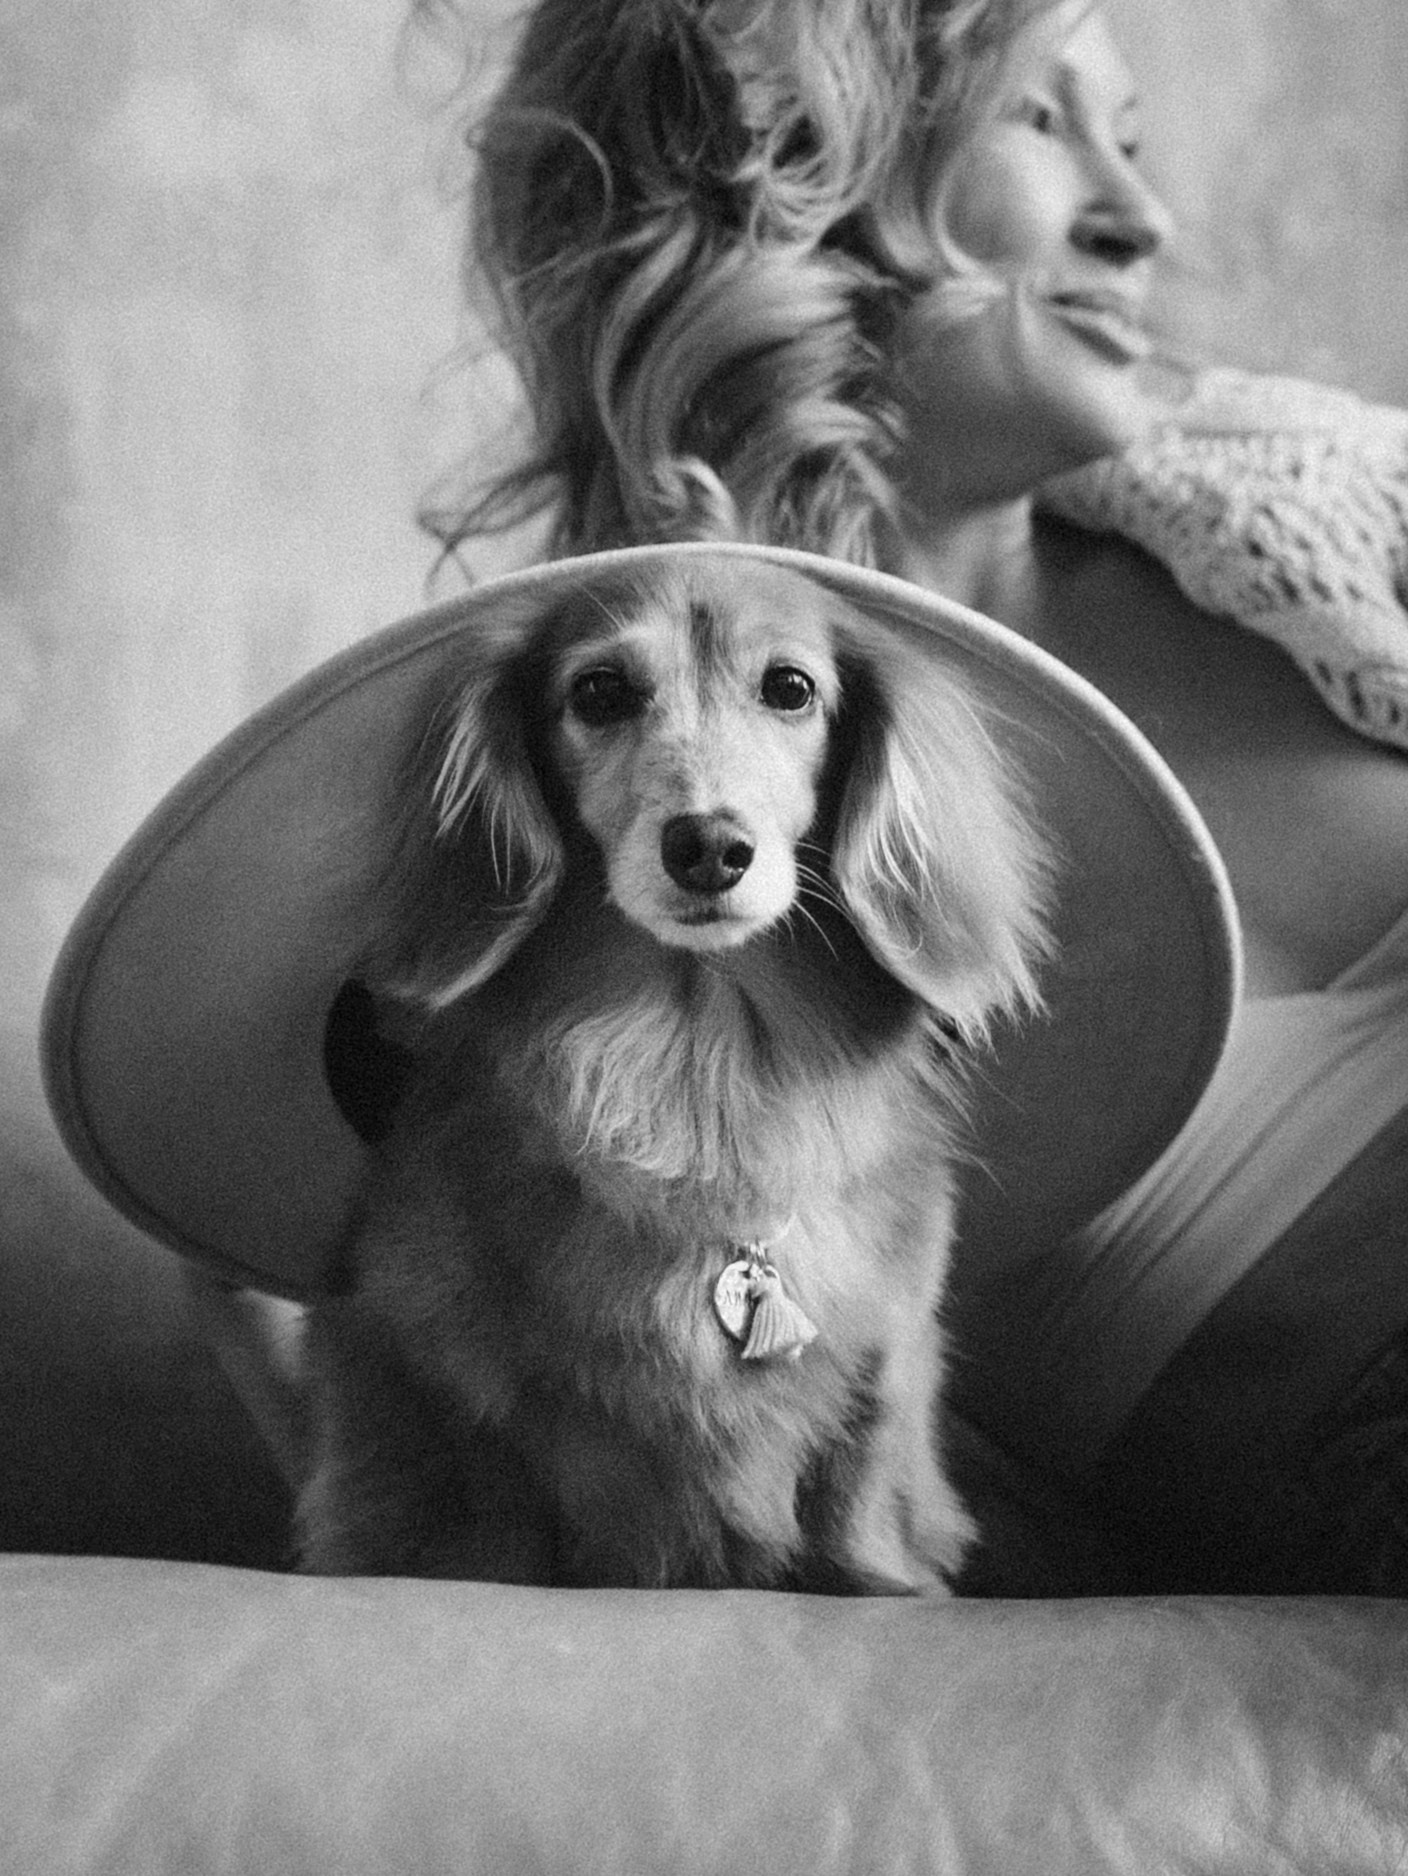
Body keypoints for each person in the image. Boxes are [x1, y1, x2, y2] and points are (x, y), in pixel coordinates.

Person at [418, 0, 1408, 1595]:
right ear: (786, 176)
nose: (1140, 218)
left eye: (1130, 138)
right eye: (1043, 121)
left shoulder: (1327, 499)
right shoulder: (573, 836)